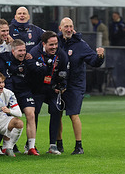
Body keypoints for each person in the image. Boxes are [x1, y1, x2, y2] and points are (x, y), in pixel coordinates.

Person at [57, 17, 105, 155]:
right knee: (57, 113)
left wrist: (100, 56)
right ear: (60, 28)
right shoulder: (56, 42)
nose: (69, 29)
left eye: (71, 26)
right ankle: (58, 144)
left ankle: (79, 146)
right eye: (66, 26)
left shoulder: (80, 44)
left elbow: (94, 61)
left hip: (75, 85)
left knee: (73, 114)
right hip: (60, 84)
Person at [29, 30, 68, 155]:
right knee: (34, 113)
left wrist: (61, 85)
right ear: (44, 43)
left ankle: (53, 145)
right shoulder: (34, 53)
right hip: (37, 88)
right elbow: (31, 72)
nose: (54, 47)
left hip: (52, 88)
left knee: (56, 111)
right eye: (51, 45)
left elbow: (64, 73)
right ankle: (30, 145)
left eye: (56, 44)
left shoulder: (61, 54)